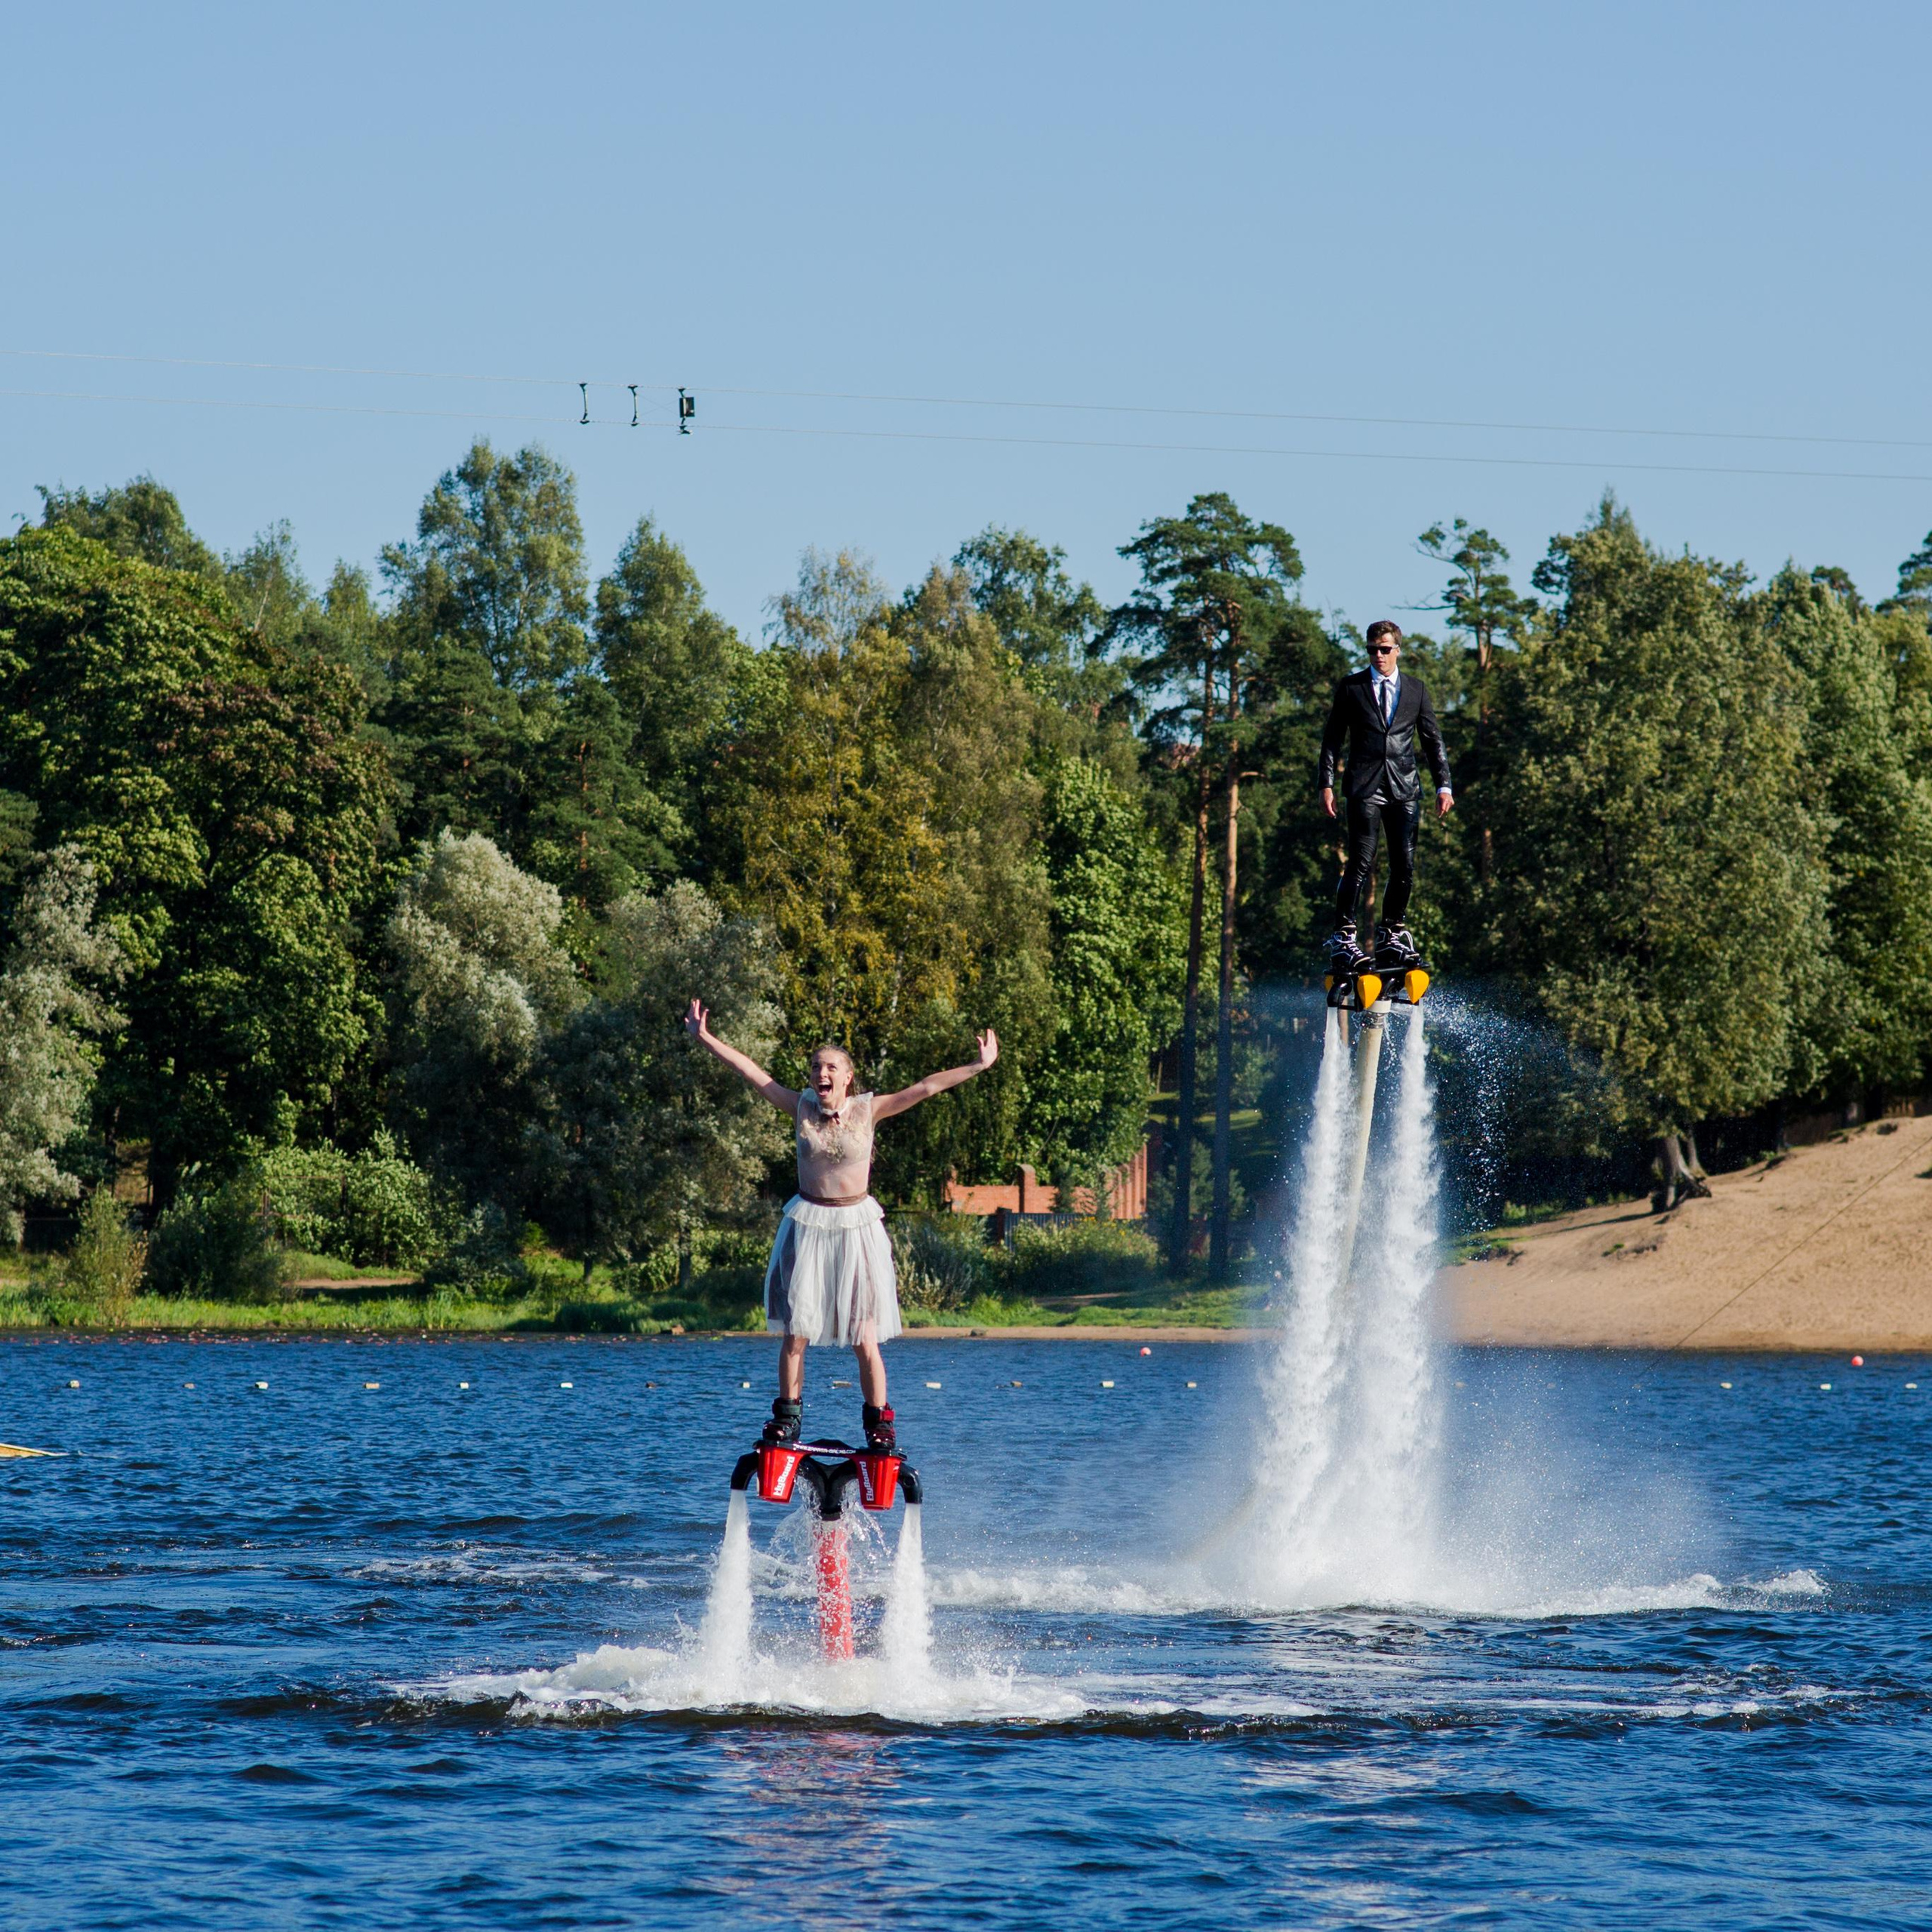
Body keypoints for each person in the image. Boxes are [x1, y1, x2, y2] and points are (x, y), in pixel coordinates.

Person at [683, 1000, 999, 1453]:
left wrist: (978, 1065)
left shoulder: (869, 1110)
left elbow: (927, 1087)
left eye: (830, 1066)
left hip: (856, 1227)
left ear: (847, 1077)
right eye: (815, 1066)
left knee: (864, 1336)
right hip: (809, 1224)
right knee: (796, 1333)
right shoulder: (799, 1107)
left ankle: (879, 1427)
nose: (820, 1073)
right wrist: (705, 1038)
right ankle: (786, 1423)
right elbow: (750, 1071)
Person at [1316, 619, 1454, 968]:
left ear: (1397, 650)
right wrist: (1326, 784)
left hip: (1404, 786)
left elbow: (1432, 741)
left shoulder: (1416, 690)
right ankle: (1344, 935)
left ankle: (1391, 932)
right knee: (1361, 860)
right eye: (1372, 650)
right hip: (1364, 787)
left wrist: (1444, 785)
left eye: (1385, 649)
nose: (1378, 656)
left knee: (1404, 864)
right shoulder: (1352, 688)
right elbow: (1332, 739)